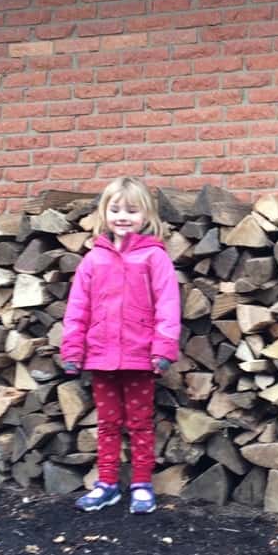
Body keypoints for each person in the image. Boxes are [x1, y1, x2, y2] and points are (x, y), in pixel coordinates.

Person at [60, 177, 181, 514]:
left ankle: (142, 483)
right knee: (107, 424)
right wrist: (72, 350)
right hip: (100, 357)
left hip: (141, 357)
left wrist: (163, 349)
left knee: (140, 423)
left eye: (131, 210)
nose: (122, 216)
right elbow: (77, 308)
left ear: (146, 215)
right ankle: (107, 484)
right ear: (104, 213)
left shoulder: (154, 258)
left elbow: (168, 304)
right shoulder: (93, 261)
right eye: (115, 209)